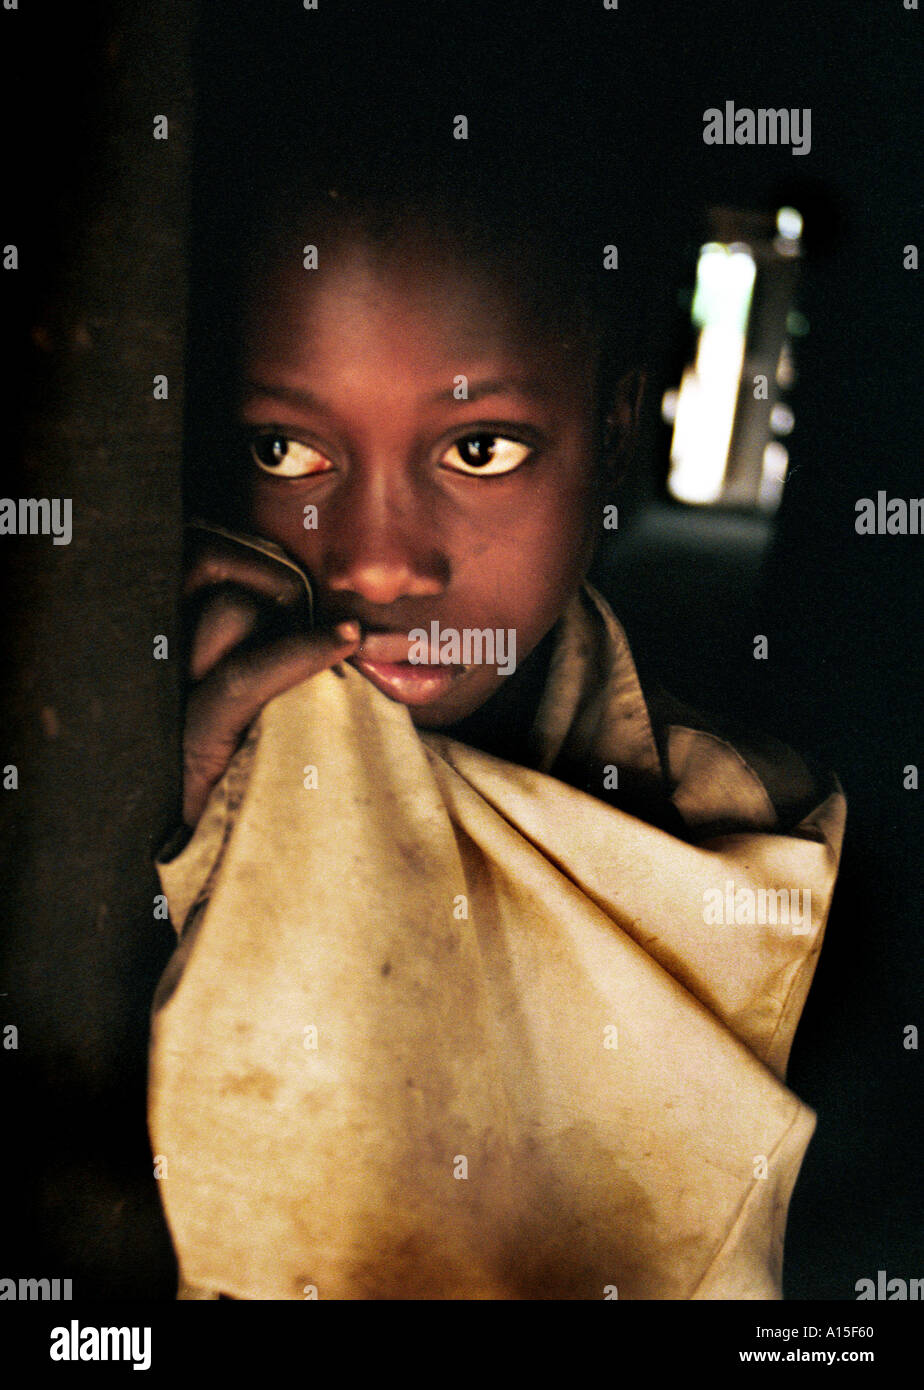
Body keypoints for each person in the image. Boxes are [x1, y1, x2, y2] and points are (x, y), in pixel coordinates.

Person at [148, 150, 846, 1300]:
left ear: (616, 430)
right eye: (289, 450)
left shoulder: (737, 836)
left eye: (480, 450)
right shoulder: (162, 746)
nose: (377, 559)